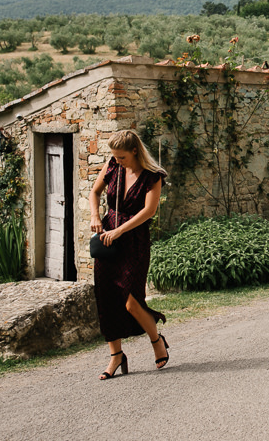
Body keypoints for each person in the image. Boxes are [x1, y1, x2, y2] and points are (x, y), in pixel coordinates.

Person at [88, 130, 169, 380]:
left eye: (121, 156)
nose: (117, 161)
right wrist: (94, 216)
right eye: (114, 156)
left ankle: (157, 340)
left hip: (133, 240)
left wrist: (120, 230)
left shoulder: (153, 177)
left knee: (132, 300)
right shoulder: (113, 166)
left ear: (134, 151)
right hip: (108, 240)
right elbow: (95, 192)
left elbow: (149, 211)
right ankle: (116, 356)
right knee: (106, 296)